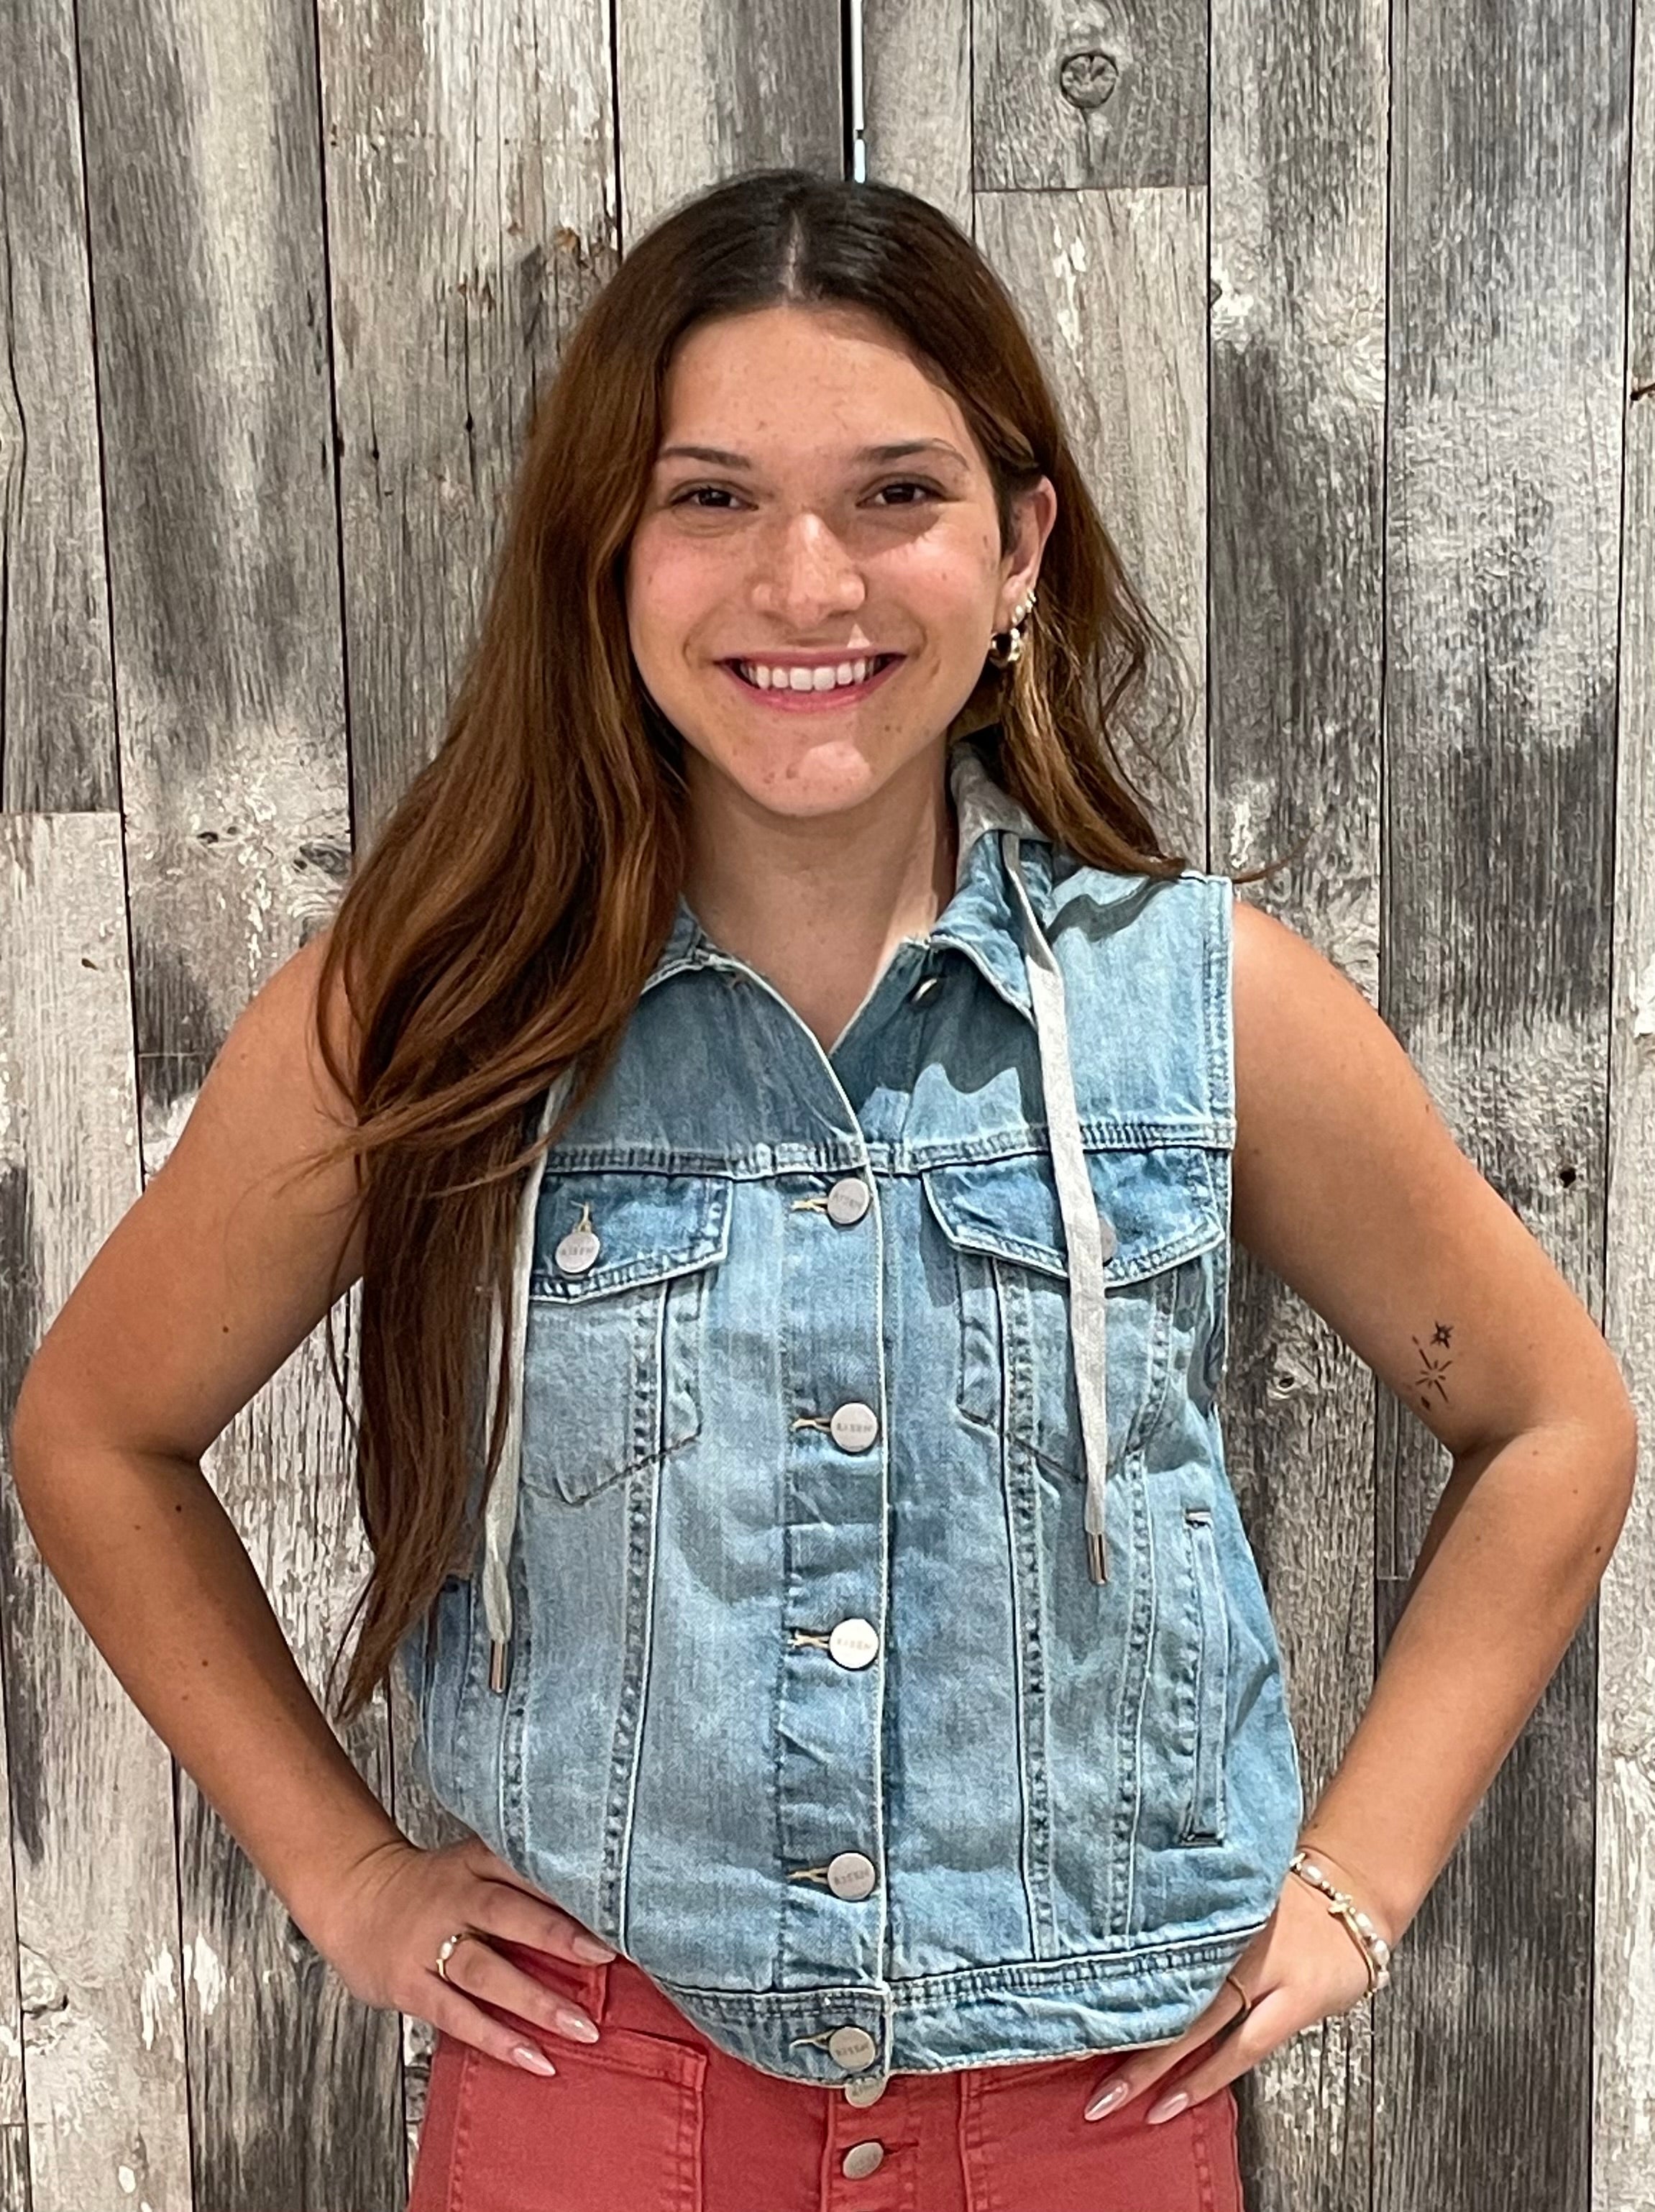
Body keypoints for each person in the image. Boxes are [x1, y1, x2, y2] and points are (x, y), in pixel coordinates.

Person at [9, 167, 1637, 2212]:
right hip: (597, 2108)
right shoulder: (425, 1015)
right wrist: (344, 1874)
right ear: (609, 552)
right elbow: (96, 1430)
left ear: (1021, 547)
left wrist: (1356, 1882)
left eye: (895, 495)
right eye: (712, 498)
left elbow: (1556, 1422)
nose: (807, 580)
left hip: (1086, 2120)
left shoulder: (1197, 1004)